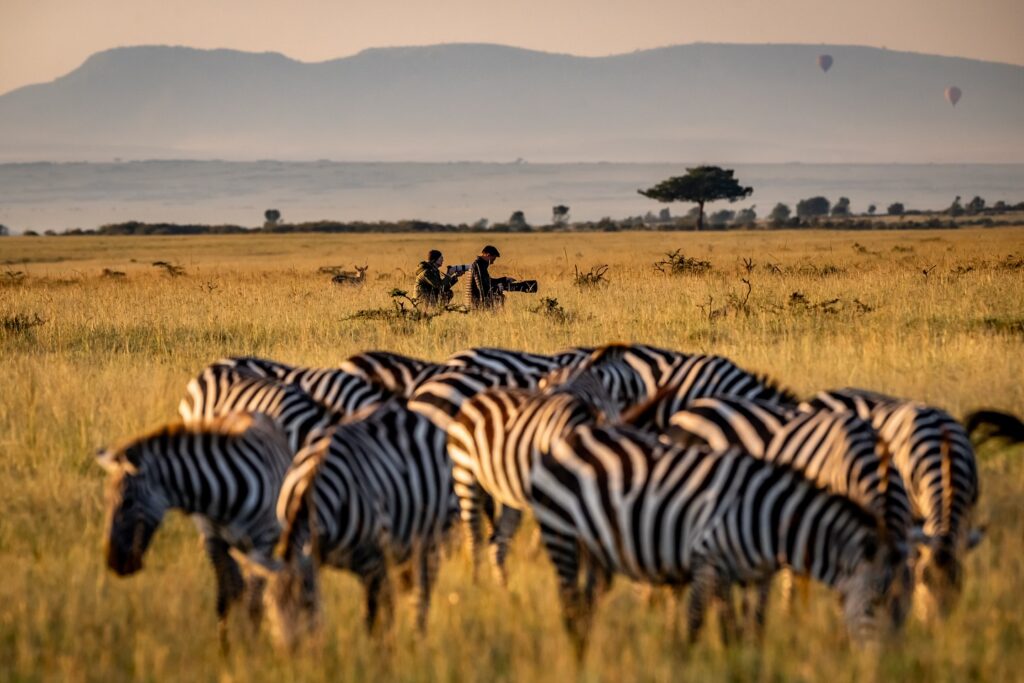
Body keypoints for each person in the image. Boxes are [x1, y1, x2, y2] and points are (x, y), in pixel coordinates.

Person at [465, 245, 510, 309]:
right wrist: (484, 302)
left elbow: (487, 282)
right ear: (488, 255)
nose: (492, 262)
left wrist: (504, 279)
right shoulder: (478, 265)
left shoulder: (479, 264)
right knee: (500, 298)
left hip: (474, 301)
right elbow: (480, 286)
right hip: (475, 303)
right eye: (493, 259)